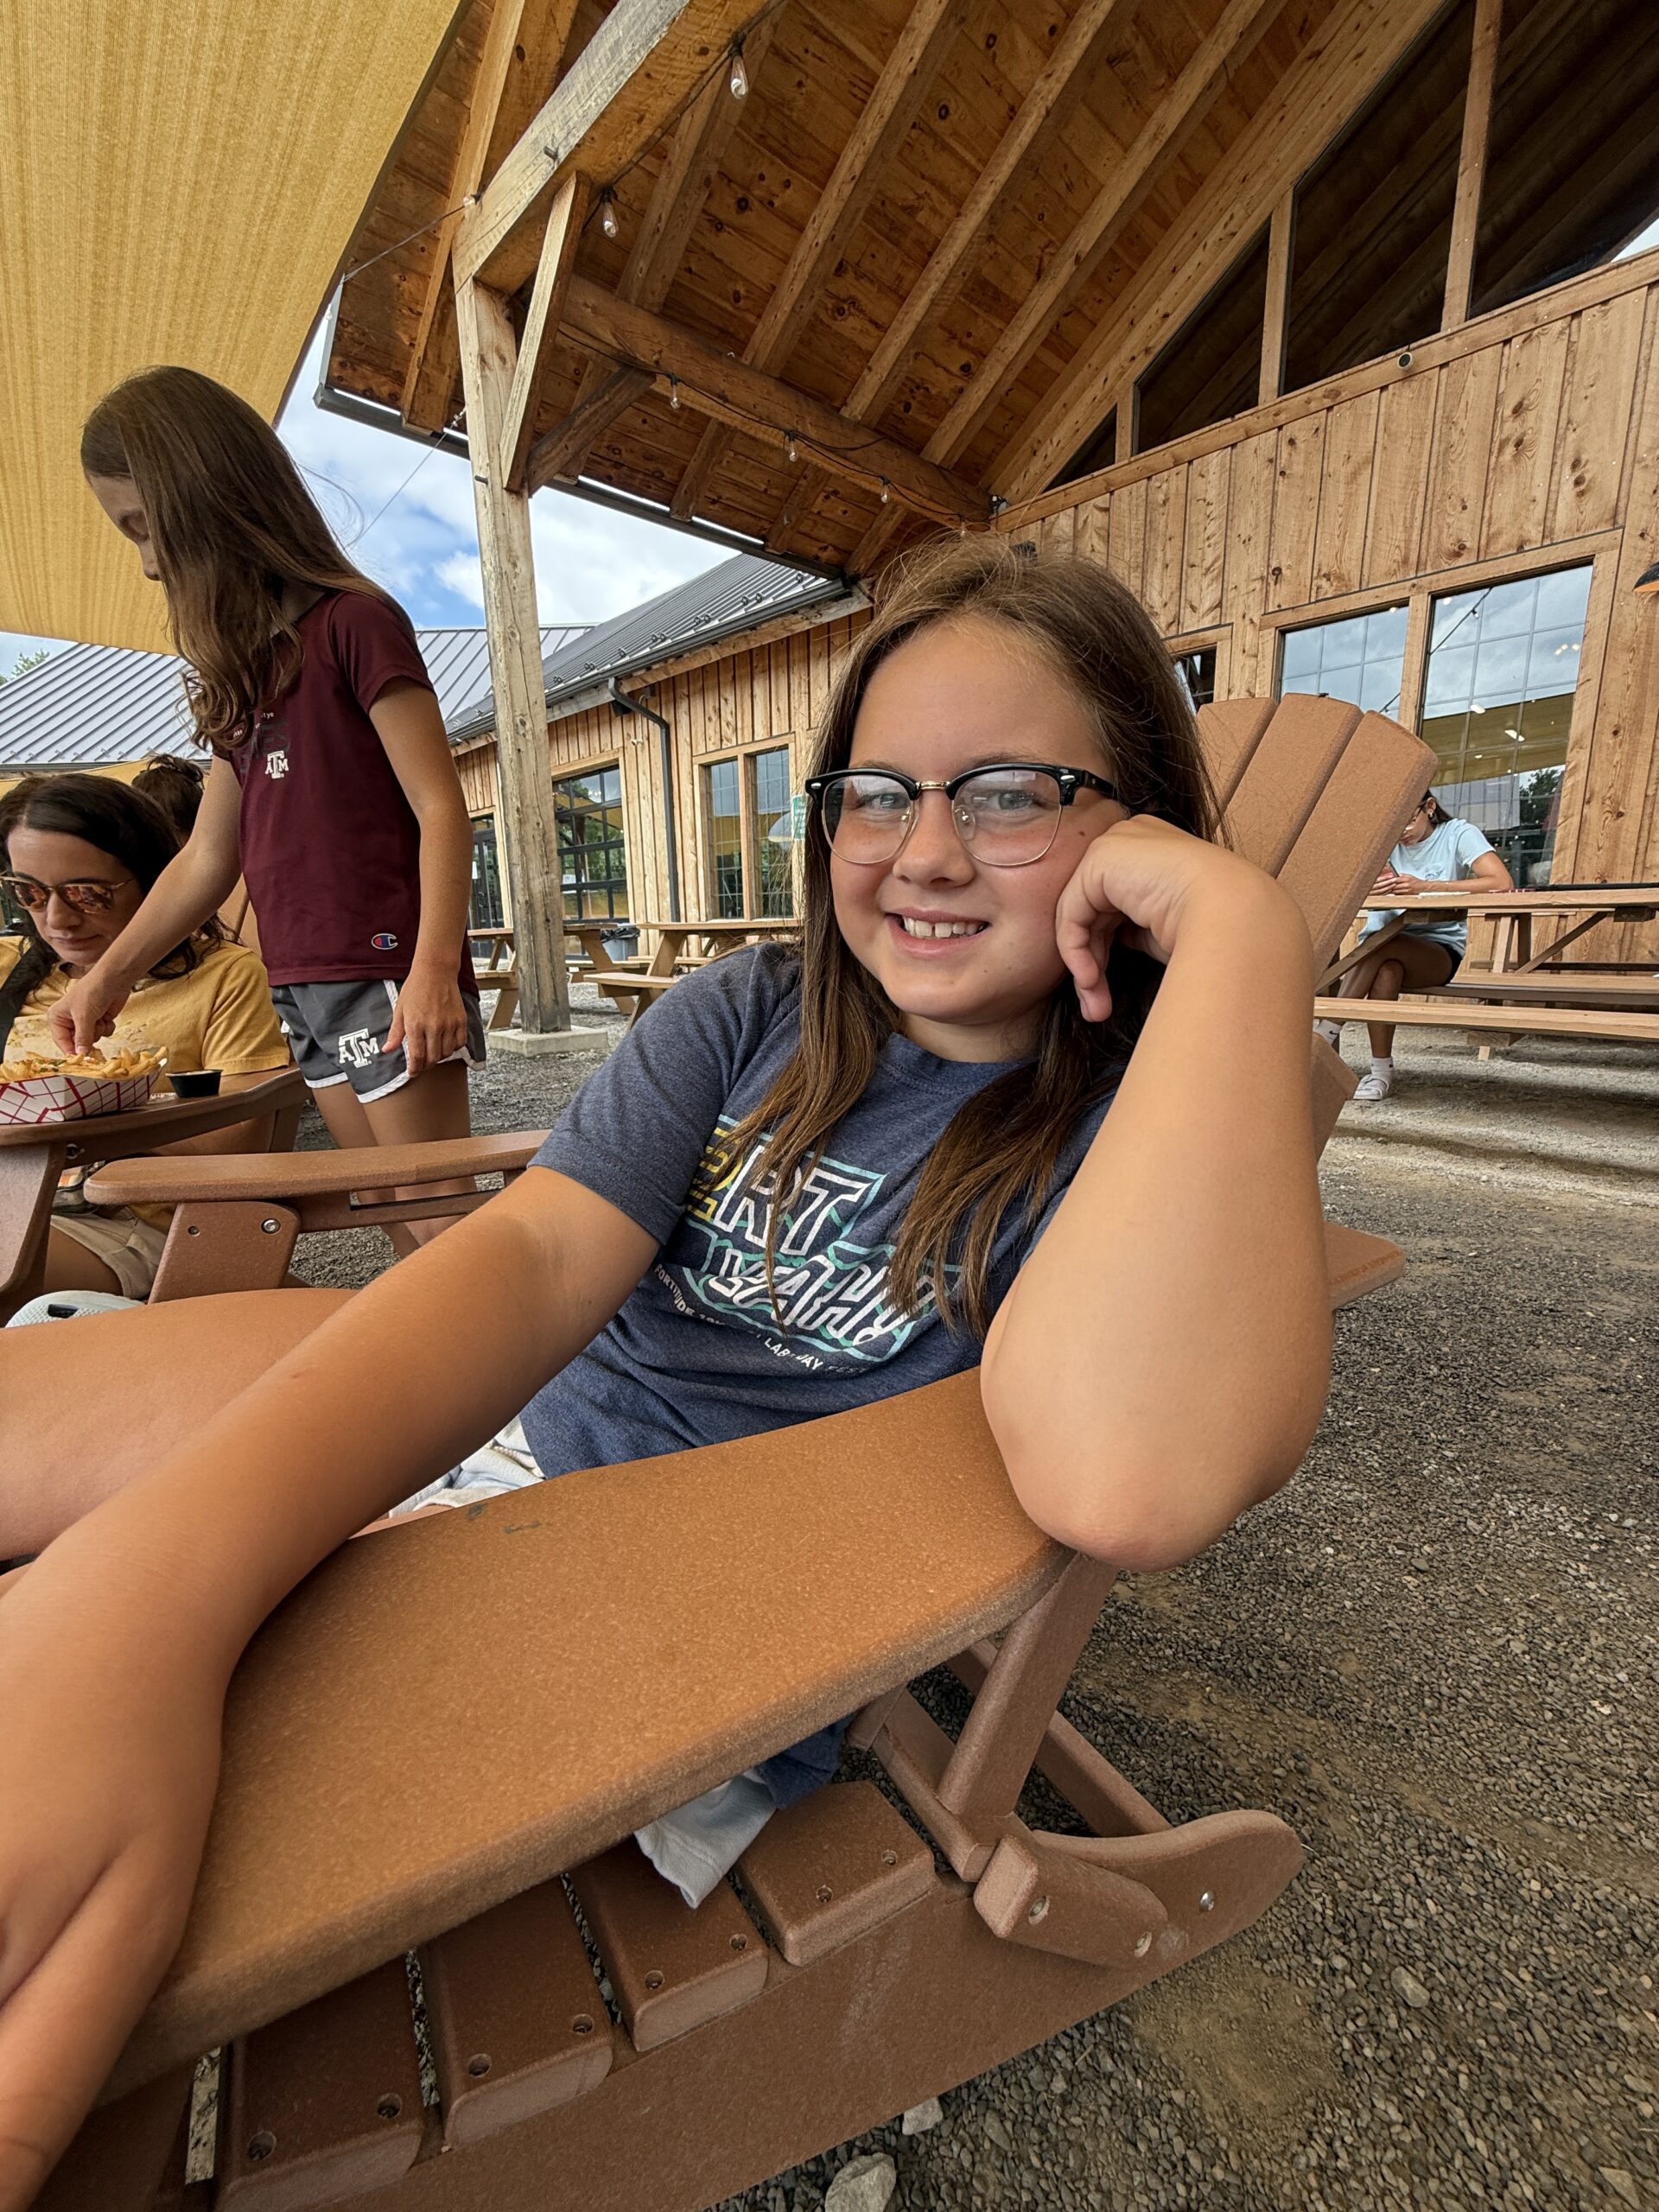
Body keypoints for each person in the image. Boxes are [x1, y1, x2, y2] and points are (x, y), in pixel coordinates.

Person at [0, 541, 1334, 2203]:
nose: (925, 851)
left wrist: (1243, 935)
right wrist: (144, 1589)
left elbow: (1135, 1478)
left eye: (1010, 795)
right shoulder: (750, 1013)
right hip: (507, 1437)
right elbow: (536, 1261)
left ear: (1141, 836)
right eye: (875, 795)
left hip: (669, 1596)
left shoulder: (1130, 1145)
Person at [57, 366, 483, 1246]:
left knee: (442, 1222)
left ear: (204, 497)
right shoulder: (244, 676)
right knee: (390, 1216)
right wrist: (108, 975)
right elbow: (208, 857)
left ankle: (550, 1339)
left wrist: (434, 969)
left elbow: (443, 808)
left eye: (144, 528)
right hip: (298, 980)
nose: (147, 563)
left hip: (385, 970)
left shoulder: (355, 623)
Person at [0, 774, 291, 1299]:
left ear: (158, 881)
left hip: (137, 1222)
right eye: (30, 893)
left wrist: (86, 1112)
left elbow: (237, 1145)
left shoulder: (222, 975)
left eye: (88, 894)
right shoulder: (9, 971)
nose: (57, 919)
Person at [1319, 790, 1513, 1100]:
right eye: (1394, 827)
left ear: (1430, 807)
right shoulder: (1383, 842)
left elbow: (1501, 883)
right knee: (1386, 970)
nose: (1401, 834)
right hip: (1379, 954)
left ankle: (1323, 1035)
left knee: (1383, 945)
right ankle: (1380, 1074)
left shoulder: (1458, 834)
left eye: (1408, 822)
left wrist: (1426, 887)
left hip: (1436, 951)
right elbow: (1335, 886)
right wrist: (1367, 889)